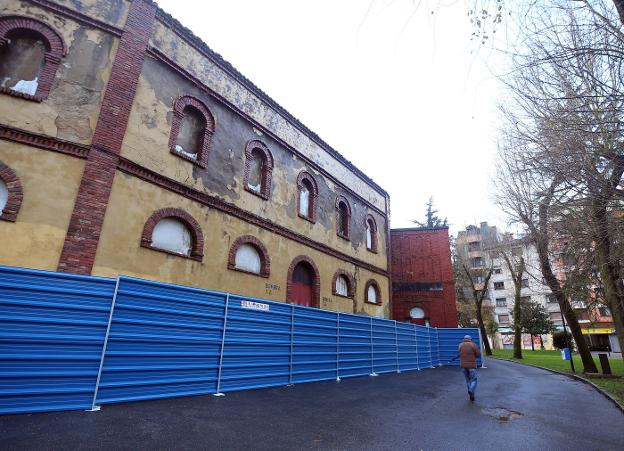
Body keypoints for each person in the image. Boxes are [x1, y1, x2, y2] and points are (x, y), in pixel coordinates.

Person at [458, 335, 481, 401]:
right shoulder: (473, 345)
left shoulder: (460, 345)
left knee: (468, 380)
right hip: (472, 366)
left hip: (463, 365)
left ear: (464, 339)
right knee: (474, 380)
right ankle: (471, 390)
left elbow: (460, 353)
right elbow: (478, 354)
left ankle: (471, 395)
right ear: (470, 339)